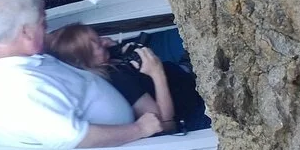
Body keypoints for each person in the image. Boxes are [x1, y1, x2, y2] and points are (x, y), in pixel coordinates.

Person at [0, 0, 163, 149]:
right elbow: (79, 139)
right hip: (125, 141)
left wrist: (92, 42)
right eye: (42, 23)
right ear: (25, 33)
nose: (47, 29)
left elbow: (45, 42)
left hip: (98, 87)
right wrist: (140, 129)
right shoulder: (26, 91)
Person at [45, 23, 211, 132]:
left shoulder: (108, 61)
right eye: (96, 45)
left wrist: (114, 48)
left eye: (98, 37)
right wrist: (157, 73)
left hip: (186, 77)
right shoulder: (119, 80)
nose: (103, 41)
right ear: (84, 61)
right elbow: (166, 124)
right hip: (195, 107)